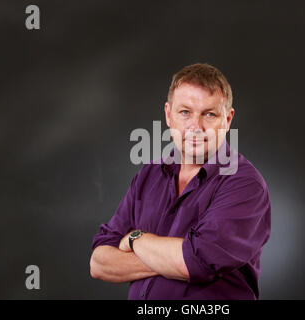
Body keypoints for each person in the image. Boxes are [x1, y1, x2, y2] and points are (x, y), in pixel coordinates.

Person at [90, 63, 271, 299]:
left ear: (227, 120)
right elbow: (99, 263)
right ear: (168, 115)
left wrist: (136, 239)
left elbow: (196, 262)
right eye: (185, 112)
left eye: (209, 114)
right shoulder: (149, 175)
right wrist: (174, 258)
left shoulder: (244, 185)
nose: (195, 127)